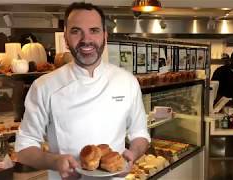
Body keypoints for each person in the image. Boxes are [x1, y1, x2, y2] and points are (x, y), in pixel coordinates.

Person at [15, 2, 150, 180]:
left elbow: (140, 134)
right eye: (76, 31)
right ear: (65, 38)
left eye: (94, 30)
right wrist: (55, 161)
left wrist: (133, 153)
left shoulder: (127, 82)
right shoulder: (44, 86)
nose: (86, 39)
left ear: (105, 36)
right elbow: (24, 148)